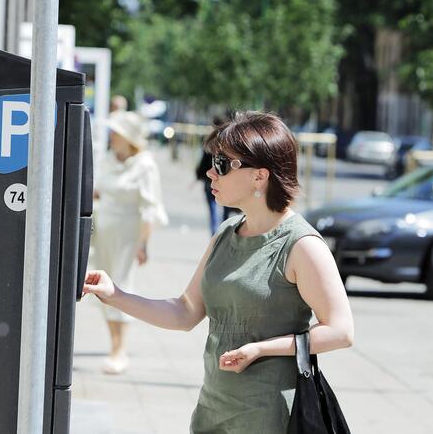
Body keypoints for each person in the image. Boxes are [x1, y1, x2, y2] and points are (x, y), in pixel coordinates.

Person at [83, 111, 354, 432]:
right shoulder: (227, 233)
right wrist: (116, 295)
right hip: (214, 407)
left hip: (271, 415)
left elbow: (341, 331)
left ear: (260, 176)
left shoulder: (302, 245)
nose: (210, 172)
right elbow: (184, 312)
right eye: (213, 161)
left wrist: (262, 348)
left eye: (223, 164)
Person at [90, 110, 169, 374]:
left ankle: (118, 350)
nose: (112, 137)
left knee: (120, 286)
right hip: (103, 231)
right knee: (100, 286)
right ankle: (114, 345)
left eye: (116, 133)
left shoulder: (145, 165)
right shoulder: (108, 160)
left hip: (127, 233)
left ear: (128, 137)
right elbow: (98, 191)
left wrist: (143, 244)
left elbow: (151, 208)